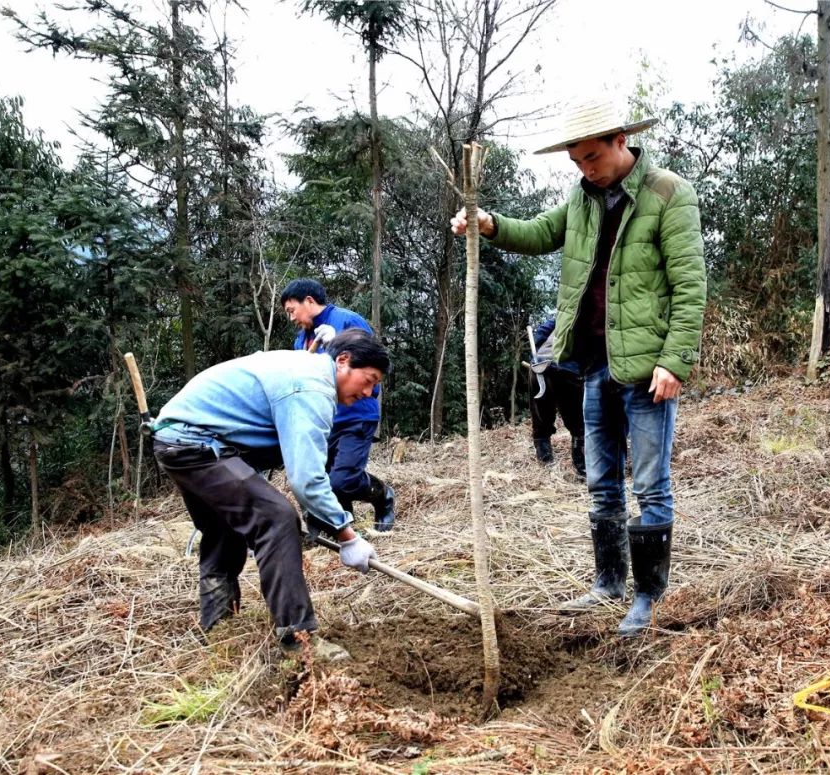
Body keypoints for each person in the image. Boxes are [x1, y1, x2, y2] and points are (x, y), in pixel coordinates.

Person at [451, 99, 707, 636]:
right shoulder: (582, 198)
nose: (585, 169)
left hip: (646, 371)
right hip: (592, 365)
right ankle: (608, 582)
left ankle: (647, 597)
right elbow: (542, 233)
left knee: (650, 485)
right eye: (576, 161)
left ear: (620, 142)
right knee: (602, 482)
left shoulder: (668, 194)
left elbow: (690, 286)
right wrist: (491, 224)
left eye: (592, 157)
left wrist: (675, 361)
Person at [151, 329, 389, 655]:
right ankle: (300, 640)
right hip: (198, 444)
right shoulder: (311, 387)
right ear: (343, 361)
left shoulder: (306, 371)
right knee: (277, 520)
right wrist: (348, 536)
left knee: (224, 530)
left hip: (177, 440)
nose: (369, 392)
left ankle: (219, 629)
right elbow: (306, 479)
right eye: (369, 379)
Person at [280, 279, 397, 532]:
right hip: (323, 419)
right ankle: (344, 528)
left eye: (292, 310)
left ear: (309, 301)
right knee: (325, 479)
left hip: (356, 415)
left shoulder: (347, 321)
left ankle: (383, 495)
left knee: (342, 480)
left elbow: (372, 369)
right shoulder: (302, 340)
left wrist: (335, 346)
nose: (291, 318)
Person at [528, 317, 585, 479]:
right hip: (568, 370)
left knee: (540, 418)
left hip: (540, 366)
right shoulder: (593, 317)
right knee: (579, 424)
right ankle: (582, 469)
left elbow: (541, 332)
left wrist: (537, 358)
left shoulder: (563, 316)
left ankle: (545, 463)